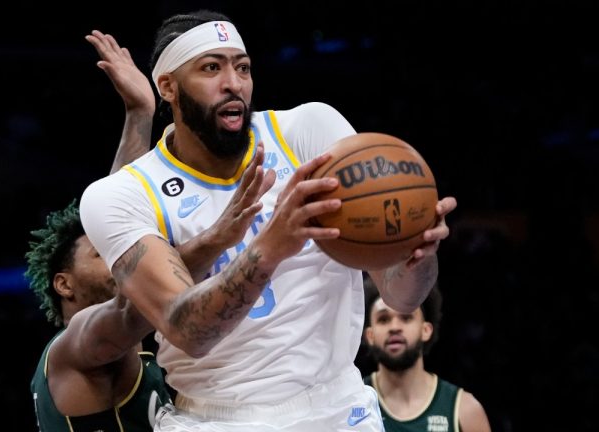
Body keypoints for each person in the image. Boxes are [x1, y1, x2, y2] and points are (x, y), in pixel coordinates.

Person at [80, 9, 458, 431]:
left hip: (338, 408)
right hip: (216, 418)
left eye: (242, 68)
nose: (234, 83)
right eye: (211, 68)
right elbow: (188, 331)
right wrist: (271, 245)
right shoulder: (122, 194)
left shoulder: (308, 132)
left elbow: (403, 297)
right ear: (167, 86)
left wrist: (416, 255)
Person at [28, 30, 272, 431]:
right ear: (64, 284)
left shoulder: (132, 348)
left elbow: (120, 215)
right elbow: (130, 302)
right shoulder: (73, 347)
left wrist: (139, 112)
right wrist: (218, 238)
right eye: (98, 255)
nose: (116, 258)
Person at [363, 278, 491, 432]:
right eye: (384, 319)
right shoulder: (352, 403)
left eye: (406, 317)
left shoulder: (465, 410)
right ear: (369, 335)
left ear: (426, 330)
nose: (394, 327)